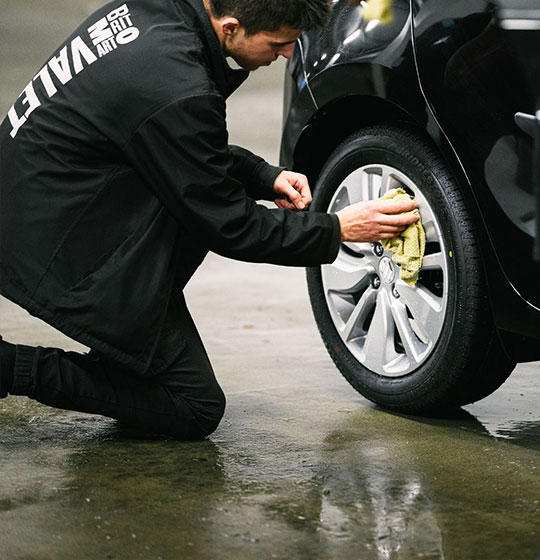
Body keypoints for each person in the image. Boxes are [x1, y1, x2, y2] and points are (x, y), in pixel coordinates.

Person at [0, 0, 419, 439]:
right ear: (233, 27)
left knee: (193, 205)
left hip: (44, 193)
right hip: (55, 238)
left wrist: (264, 176)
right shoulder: (175, 85)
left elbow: (166, 142)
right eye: (278, 44)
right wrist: (339, 229)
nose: (284, 57)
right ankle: (9, 367)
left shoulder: (156, 13)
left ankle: (121, 352)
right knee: (193, 405)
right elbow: (231, 226)